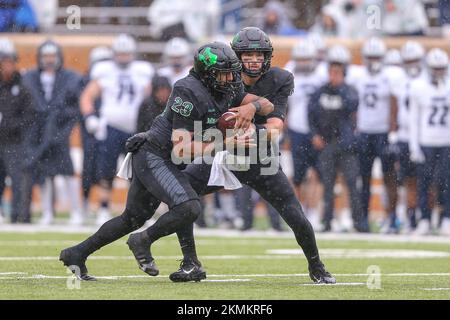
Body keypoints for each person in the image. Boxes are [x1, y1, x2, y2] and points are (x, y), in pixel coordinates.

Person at [127, 27, 335, 284]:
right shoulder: (218, 78)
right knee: (183, 197)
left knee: (294, 214)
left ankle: (316, 265)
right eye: (248, 55)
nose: (254, 60)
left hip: (260, 158)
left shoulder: (279, 79)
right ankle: (189, 262)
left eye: (260, 55)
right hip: (223, 157)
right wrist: (151, 135)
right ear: (235, 57)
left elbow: (275, 128)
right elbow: (187, 119)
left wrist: (251, 117)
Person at [60, 41, 274, 280]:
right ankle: (143, 240)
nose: (232, 79)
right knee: (188, 206)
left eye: (233, 72)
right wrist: (227, 143)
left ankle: (76, 253)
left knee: (132, 217)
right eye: (225, 73)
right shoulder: (188, 90)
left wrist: (252, 107)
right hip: (155, 155)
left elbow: (268, 104)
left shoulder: (226, 88)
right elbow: (182, 149)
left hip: (167, 159)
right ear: (208, 73)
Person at [80, 34, 154, 225]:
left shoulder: (143, 70)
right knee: (106, 172)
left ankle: (138, 211)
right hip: (111, 127)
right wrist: (90, 117)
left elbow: (150, 97)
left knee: (138, 173)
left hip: (136, 129)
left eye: (126, 54)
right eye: (120, 54)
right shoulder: (103, 70)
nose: (123, 57)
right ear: (113, 54)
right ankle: (103, 209)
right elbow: (87, 97)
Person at [23, 40, 83, 225]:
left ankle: (76, 211)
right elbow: (30, 104)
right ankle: (47, 211)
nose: (49, 60)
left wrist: (60, 122)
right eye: (46, 56)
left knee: (67, 171)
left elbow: (75, 106)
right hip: (39, 131)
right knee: (44, 173)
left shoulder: (69, 77)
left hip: (60, 130)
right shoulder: (31, 76)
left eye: (52, 56)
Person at [308, 45, 364, 233]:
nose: (333, 75)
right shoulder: (320, 92)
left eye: (337, 72)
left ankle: (358, 222)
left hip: (346, 145)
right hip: (327, 144)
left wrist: (339, 88)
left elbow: (351, 107)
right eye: (332, 72)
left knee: (352, 183)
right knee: (328, 185)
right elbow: (312, 114)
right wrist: (314, 134)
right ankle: (327, 221)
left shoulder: (349, 91)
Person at [347, 37, 399, 233]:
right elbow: (353, 105)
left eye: (377, 57)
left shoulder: (390, 75)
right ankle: (363, 220)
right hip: (364, 133)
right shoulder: (358, 76)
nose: (374, 61)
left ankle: (391, 218)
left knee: (389, 177)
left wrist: (393, 129)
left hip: (383, 133)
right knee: (364, 178)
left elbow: (394, 104)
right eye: (370, 57)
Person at [285, 38, 327, 229]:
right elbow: (282, 101)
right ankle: (300, 210)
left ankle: (314, 211)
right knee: (299, 175)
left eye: (306, 59)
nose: (302, 63)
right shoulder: (290, 71)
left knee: (318, 173)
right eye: (299, 59)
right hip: (296, 128)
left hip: (317, 131)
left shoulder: (321, 73)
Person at [409, 48, 450, 236]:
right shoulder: (418, 86)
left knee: (446, 181)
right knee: (424, 182)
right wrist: (414, 146)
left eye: (441, 68)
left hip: (446, 141)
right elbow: (414, 119)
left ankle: (446, 219)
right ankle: (424, 219)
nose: (438, 72)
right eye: (435, 68)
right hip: (426, 141)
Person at [391, 41, 426, 232]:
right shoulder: (398, 79)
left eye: (415, 60)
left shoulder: (427, 80)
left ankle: (426, 216)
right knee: (408, 179)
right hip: (405, 136)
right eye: (408, 60)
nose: (412, 64)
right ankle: (411, 216)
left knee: (428, 180)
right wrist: (393, 132)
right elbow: (394, 107)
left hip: (425, 137)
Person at [0, 37, 33, 223]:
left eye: (10, 61)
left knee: (18, 179)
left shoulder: (22, 86)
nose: (7, 66)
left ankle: (19, 215)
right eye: (4, 61)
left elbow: (29, 115)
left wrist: (9, 125)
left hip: (14, 141)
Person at [80, 46, 113, 218]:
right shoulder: (86, 80)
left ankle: (104, 206)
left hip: (111, 130)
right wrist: (90, 117)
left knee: (108, 169)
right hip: (91, 130)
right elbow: (82, 101)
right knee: (89, 168)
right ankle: (85, 204)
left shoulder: (113, 78)